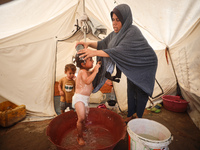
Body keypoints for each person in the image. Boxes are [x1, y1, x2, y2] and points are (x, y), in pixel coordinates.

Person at [76, 4, 158, 123]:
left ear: (125, 19)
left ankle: (138, 118)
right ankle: (130, 115)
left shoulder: (132, 31)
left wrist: (93, 53)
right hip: (132, 65)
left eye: (118, 20)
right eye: (113, 19)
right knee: (130, 89)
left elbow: (118, 51)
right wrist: (88, 44)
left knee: (141, 91)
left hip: (145, 64)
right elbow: (104, 44)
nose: (114, 23)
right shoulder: (116, 34)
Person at [72, 51, 101, 146]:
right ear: (83, 64)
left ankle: (82, 128)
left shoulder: (86, 71)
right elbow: (88, 81)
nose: (92, 61)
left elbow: (91, 73)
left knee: (84, 117)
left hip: (84, 98)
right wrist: (96, 70)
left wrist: (96, 66)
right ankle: (79, 137)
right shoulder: (82, 72)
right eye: (90, 60)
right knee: (81, 118)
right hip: (79, 98)